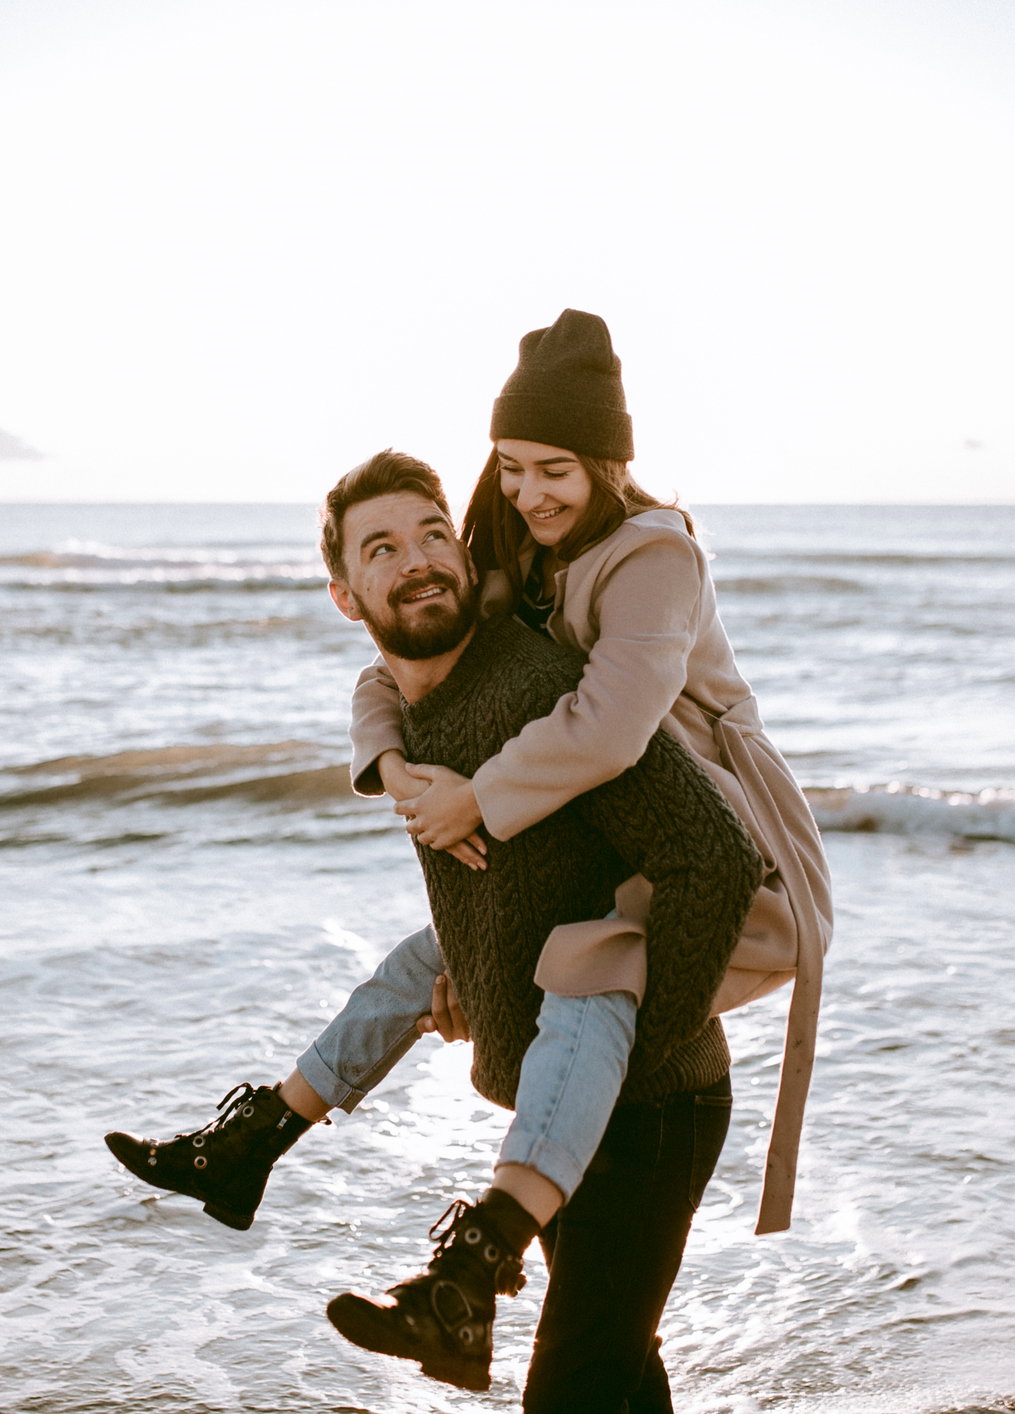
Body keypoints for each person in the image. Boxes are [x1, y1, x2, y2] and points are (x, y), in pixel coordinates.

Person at [109, 451, 762, 1406]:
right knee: (618, 1379)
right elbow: (522, 892)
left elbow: (718, 860)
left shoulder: (542, 695)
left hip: (652, 1104)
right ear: (344, 596)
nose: (416, 560)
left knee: (573, 1388)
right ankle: (254, 1142)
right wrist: (484, 985)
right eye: (382, 548)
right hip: (565, 1093)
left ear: (463, 553)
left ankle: (298, 1173)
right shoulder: (410, 707)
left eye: (431, 535)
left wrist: (638, 1053)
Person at [356, 309, 835, 1238]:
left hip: (719, 834)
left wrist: (476, 800)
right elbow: (413, 661)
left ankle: (485, 1243)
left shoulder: (655, 554)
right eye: (511, 466)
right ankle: (267, 1131)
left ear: (606, 464)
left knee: (589, 983)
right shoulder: (518, 542)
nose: (527, 493)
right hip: (605, 835)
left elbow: (609, 727)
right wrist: (389, 762)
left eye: (554, 470)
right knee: (438, 963)